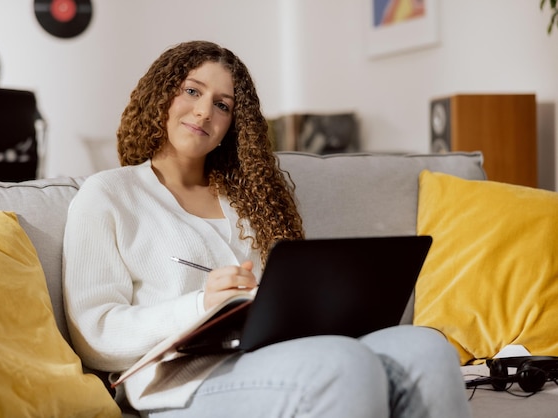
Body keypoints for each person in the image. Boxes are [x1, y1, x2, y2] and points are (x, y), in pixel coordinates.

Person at [63, 40, 471, 417]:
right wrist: (200, 306)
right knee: (343, 364)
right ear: (162, 95)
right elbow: (94, 333)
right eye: (192, 91)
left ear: (231, 127)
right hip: (183, 383)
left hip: (276, 353)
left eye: (223, 105)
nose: (205, 111)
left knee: (426, 347)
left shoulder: (251, 200)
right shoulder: (109, 196)